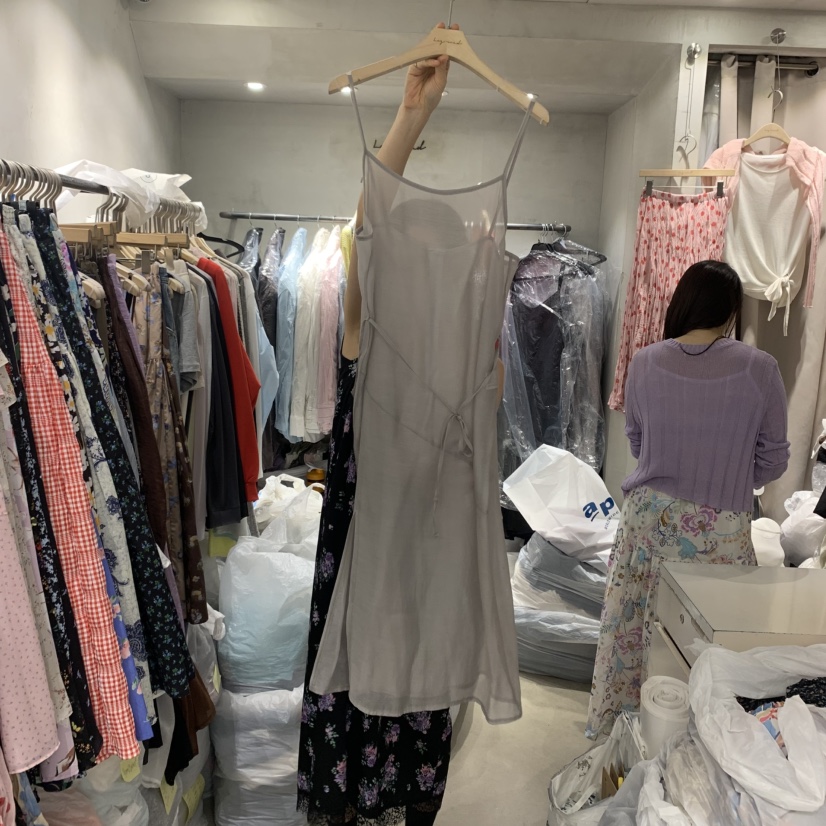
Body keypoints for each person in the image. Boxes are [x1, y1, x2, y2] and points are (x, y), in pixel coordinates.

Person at [298, 24, 461, 826]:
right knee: (355, 697)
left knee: (417, 707)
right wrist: (411, 117)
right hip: (361, 563)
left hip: (426, 565)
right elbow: (367, 229)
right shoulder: (366, 335)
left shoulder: (464, 361)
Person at [586, 260, 790, 739]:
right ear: (731, 311)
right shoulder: (760, 369)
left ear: (683, 302)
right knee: (706, 652)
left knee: (633, 637)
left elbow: (639, 443)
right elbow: (774, 460)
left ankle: (625, 740)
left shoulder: (645, 362)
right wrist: (729, 479)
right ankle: (697, 755)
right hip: (719, 534)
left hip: (647, 523)